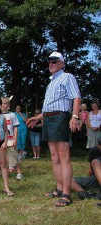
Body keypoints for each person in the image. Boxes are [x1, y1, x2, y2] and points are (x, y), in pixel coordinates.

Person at [27, 51, 81, 207]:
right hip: (49, 118)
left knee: (64, 157)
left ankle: (66, 194)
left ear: (62, 64)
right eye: (49, 62)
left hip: (60, 118)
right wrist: (38, 118)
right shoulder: (51, 82)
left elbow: (76, 97)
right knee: (54, 156)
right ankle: (58, 188)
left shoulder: (67, 77)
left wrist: (75, 116)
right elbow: (49, 106)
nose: (51, 64)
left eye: (54, 61)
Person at [1, 97, 23, 180]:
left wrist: (15, 139)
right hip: (1, 140)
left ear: (8, 105)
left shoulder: (12, 115)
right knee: (0, 157)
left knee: (14, 156)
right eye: (2, 103)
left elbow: (15, 128)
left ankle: (19, 173)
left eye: (5, 103)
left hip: (10, 139)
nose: (3, 105)